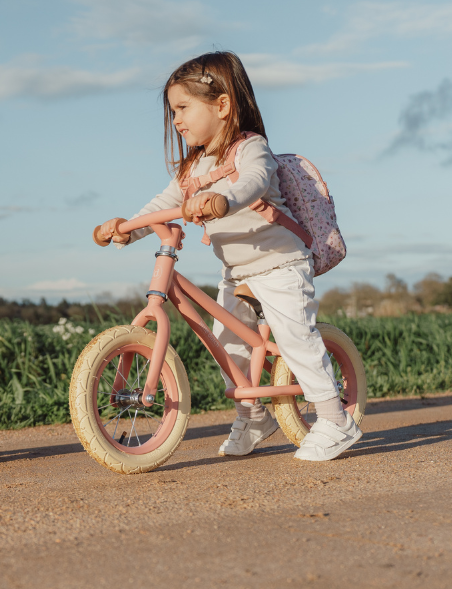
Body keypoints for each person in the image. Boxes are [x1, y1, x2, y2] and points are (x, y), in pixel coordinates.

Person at [96, 51, 361, 462]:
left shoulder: (251, 148)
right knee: (226, 344)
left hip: (280, 264)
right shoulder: (192, 168)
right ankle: (252, 416)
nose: (176, 120)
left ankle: (335, 418)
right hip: (237, 273)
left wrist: (224, 199)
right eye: (173, 112)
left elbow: (254, 181)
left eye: (183, 108)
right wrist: (126, 228)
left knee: (296, 337)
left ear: (222, 105)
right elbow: (163, 205)